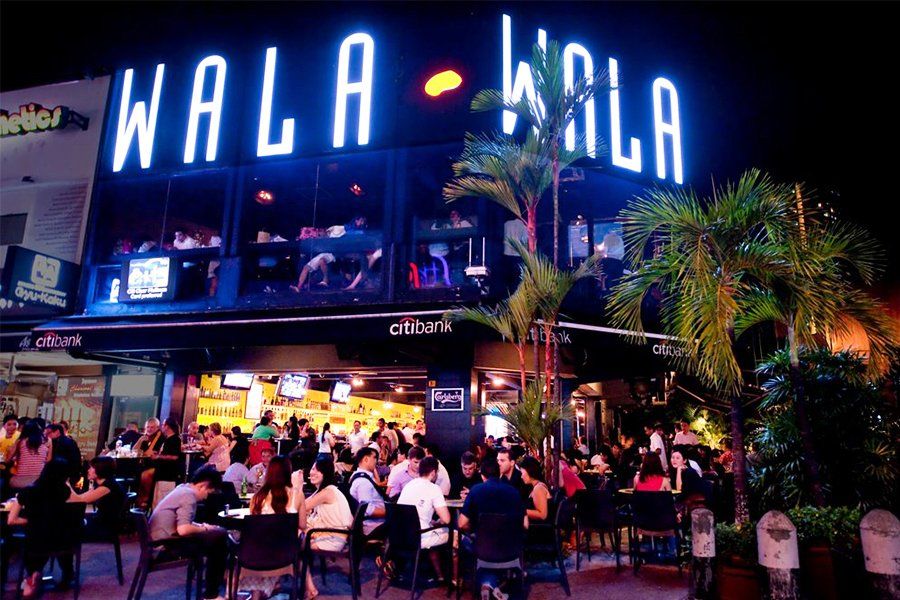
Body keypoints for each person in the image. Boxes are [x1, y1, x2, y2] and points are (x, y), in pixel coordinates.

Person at [149, 466, 227, 600]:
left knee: (214, 541)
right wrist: (205, 529)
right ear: (203, 486)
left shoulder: (182, 488)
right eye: (209, 492)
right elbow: (183, 529)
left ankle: (210, 586)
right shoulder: (188, 496)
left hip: (158, 541)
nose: (206, 497)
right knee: (218, 545)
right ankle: (211, 594)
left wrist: (202, 526)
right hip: (165, 546)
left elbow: (181, 523)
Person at [458, 458, 528, 599]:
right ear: (499, 473)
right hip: (511, 549)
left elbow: (461, 524)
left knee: (465, 541)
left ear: (482, 475)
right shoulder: (514, 492)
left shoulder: (476, 491)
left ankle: (487, 582)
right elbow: (525, 525)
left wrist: (475, 529)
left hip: (484, 549)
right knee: (494, 554)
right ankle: (492, 584)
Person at [6, 459, 77, 597]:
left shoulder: (27, 491)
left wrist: (31, 520)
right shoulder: (65, 491)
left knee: (32, 538)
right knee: (61, 533)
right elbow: (72, 510)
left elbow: (11, 520)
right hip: (62, 542)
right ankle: (67, 575)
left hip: (36, 541)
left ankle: (33, 573)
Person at [240, 455, 305, 599]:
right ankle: (272, 587)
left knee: (259, 542)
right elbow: (302, 525)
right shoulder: (297, 495)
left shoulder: (257, 497)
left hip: (255, 555)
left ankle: (256, 594)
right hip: (285, 554)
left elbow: (255, 528)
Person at [303, 457, 353, 598]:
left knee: (293, 544)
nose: (313, 472)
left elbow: (301, 508)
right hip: (332, 535)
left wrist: (296, 486)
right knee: (295, 536)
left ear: (325, 473)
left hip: (332, 539)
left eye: (317, 470)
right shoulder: (324, 490)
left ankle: (308, 588)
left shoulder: (327, 492)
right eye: (312, 468)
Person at [398, 456, 451, 580]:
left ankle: (437, 575)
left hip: (400, 535)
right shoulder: (434, 489)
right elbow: (447, 519)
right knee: (449, 533)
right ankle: (445, 576)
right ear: (433, 472)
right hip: (419, 537)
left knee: (431, 527)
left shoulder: (409, 485)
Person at [66, 455, 125, 539]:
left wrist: (67, 483)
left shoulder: (107, 487)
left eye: (91, 468)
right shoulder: (102, 484)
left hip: (106, 527)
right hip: (100, 521)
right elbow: (79, 498)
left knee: (68, 527)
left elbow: (78, 501)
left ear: (100, 470)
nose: (88, 470)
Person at [137, 417, 183, 509]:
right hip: (161, 470)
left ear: (167, 427)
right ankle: (143, 499)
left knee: (146, 475)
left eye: (163, 425)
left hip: (167, 471)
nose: (162, 427)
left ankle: (144, 499)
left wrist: (158, 456)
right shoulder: (167, 439)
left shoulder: (175, 439)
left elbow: (175, 456)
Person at [349, 447, 387, 538]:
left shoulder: (361, 476)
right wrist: (391, 511)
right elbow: (368, 510)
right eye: (374, 458)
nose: (376, 461)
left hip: (375, 523)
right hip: (372, 526)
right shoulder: (363, 482)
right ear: (366, 459)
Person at [8, 420, 52, 491]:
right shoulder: (48, 441)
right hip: (39, 480)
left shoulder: (20, 441)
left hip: (20, 480)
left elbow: (8, 459)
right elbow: (48, 459)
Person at [519, 456, 551, 523]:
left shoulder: (539, 488)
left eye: (522, 473)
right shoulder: (536, 486)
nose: (521, 476)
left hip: (538, 530)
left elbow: (542, 515)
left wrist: (521, 510)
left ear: (529, 471)